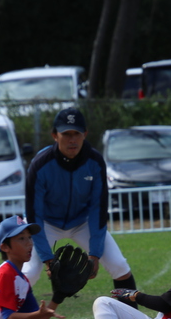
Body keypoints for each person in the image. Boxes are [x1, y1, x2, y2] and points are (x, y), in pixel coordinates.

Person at [23, 107, 138, 299]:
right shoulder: (40, 165)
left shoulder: (94, 162)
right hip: (45, 223)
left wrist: (95, 254)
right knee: (28, 274)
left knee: (119, 266)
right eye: (66, 134)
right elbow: (34, 215)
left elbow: (98, 209)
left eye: (77, 133)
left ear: (85, 134)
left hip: (82, 222)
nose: (72, 139)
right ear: (54, 135)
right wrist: (47, 258)